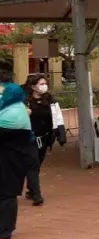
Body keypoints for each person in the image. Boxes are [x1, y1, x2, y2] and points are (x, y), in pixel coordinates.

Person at [0, 84, 37, 239]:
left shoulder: (14, 113)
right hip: (7, 157)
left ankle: (4, 233)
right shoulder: (10, 109)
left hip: (12, 160)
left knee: (6, 194)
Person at [22, 74, 54, 207]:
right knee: (33, 164)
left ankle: (30, 189)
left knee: (37, 164)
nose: (44, 86)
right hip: (29, 138)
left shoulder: (49, 99)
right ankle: (37, 194)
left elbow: (54, 118)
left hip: (44, 137)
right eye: (41, 84)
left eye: (44, 83)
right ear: (33, 86)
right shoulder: (25, 102)